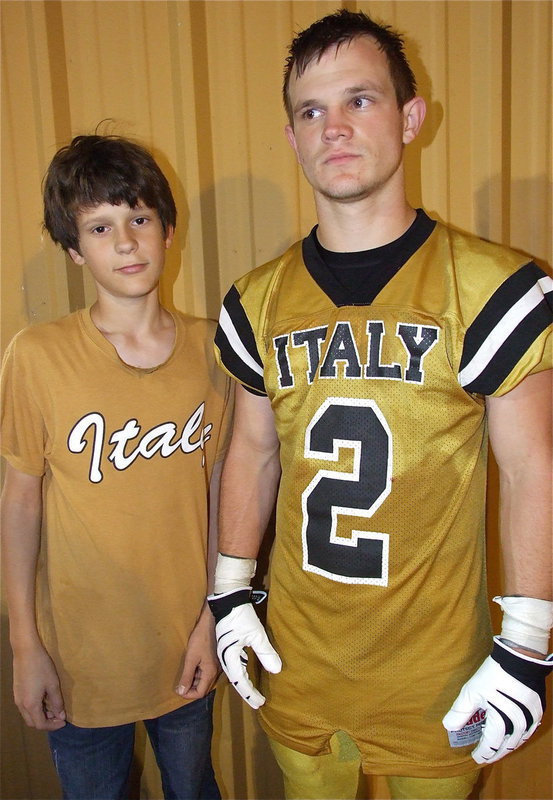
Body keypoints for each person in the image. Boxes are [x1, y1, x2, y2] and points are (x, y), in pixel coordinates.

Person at [207, 10, 552, 800]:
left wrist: (525, 644)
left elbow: (533, 469)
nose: (333, 127)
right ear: (291, 137)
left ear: (409, 116)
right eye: (310, 109)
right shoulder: (256, 301)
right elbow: (253, 453)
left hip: (436, 680)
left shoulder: (491, 288)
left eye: (359, 100)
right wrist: (228, 587)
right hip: (297, 663)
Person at [0, 134, 232, 800]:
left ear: (166, 229)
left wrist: (214, 620)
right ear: (74, 250)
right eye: (101, 228)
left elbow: (223, 492)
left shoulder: (213, 349)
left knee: (193, 786)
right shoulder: (37, 356)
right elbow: (19, 501)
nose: (126, 242)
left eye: (139, 219)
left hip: (185, 646)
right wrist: (25, 645)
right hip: (78, 663)